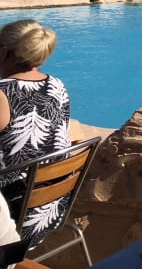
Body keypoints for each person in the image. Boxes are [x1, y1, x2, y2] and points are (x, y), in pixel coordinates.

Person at [0, 20, 70, 249]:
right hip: (50, 209)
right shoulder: (57, 85)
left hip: (12, 217)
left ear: (3, 52)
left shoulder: (3, 93)